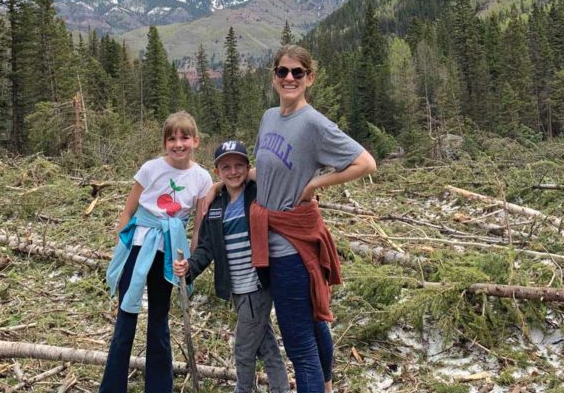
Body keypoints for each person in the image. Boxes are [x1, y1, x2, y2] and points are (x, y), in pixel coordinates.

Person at [251, 44, 376, 393]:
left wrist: (316, 183)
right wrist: (224, 182)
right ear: (274, 76)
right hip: (273, 236)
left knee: (299, 346)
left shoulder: (314, 124)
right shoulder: (269, 117)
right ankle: (328, 385)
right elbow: (267, 171)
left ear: (310, 78)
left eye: (297, 72)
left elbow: (365, 162)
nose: (289, 78)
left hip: (291, 247)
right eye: (282, 71)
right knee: (315, 324)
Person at [99, 111, 213, 393]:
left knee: (159, 319)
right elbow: (128, 210)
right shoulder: (150, 169)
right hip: (139, 246)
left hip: (170, 253)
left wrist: (191, 260)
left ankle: (159, 387)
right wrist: (122, 248)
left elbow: (198, 225)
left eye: (184, 137)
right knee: (127, 315)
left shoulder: (201, 177)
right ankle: (113, 387)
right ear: (164, 143)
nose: (178, 144)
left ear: (195, 141)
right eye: (172, 138)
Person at [173, 140, 290, 393]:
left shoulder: (260, 195)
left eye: (239, 165)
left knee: (244, 349)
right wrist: (189, 267)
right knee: (266, 343)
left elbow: (280, 175)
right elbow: (206, 247)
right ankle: (281, 388)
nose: (233, 171)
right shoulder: (215, 207)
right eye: (226, 167)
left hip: (258, 284)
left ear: (249, 167)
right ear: (217, 171)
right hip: (237, 289)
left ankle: (243, 389)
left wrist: (221, 185)